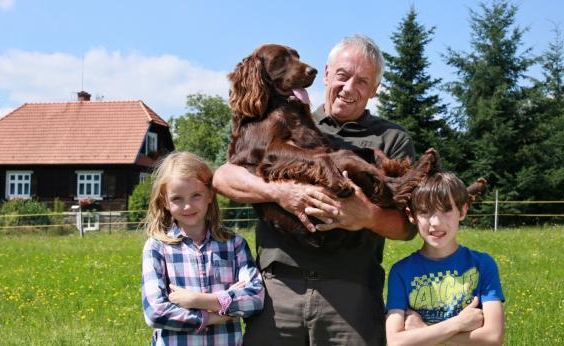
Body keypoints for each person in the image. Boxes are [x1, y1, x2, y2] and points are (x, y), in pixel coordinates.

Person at [213, 34, 416, 345]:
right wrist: (280, 192)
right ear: (325, 74)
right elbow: (224, 176)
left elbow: (407, 228)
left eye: (362, 81)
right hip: (277, 291)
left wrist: (366, 216)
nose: (349, 88)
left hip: (351, 293)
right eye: (343, 76)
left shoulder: (391, 139)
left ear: (375, 89)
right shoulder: (281, 112)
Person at [141, 151, 264, 345]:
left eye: (196, 195)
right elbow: (155, 312)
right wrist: (215, 315)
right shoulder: (157, 247)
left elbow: (255, 298)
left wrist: (196, 300)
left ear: (209, 195)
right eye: (177, 199)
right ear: (165, 201)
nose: (187, 206)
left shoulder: (234, 244)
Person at [385, 172, 505, 345]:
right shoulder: (401, 271)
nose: (436, 222)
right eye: (425, 212)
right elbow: (395, 341)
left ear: (463, 211)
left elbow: (493, 338)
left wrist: (422, 332)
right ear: (412, 215)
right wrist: (458, 323)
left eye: (447, 210)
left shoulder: (482, 264)